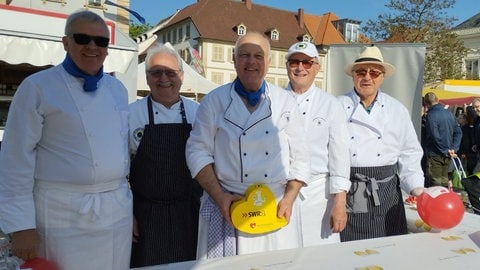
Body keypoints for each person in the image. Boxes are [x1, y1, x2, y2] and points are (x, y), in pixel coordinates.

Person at [0, 10, 132, 270]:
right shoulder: (37, 87)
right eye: (83, 38)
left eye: (101, 41)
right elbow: (15, 159)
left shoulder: (117, 89)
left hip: (116, 212)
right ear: (66, 42)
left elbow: (119, 152)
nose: (92, 47)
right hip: (62, 216)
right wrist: (21, 226)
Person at [185, 32, 310, 259]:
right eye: (244, 55)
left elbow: (301, 157)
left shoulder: (285, 101)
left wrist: (290, 197)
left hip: (275, 206)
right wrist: (218, 196)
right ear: (234, 60)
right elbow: (197, 151)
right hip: (230, 206)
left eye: (258, 56)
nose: (251, 62)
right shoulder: (214, 101)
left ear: (269, 63)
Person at [338, 45, 424, 242]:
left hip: (387, 193)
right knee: (351, 251)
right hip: (350, 192)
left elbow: (409, 153)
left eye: (374, 72)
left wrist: (417, 188)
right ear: (353, 75)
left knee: (390, 247)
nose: (367, 77)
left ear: (382, 77)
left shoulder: (397, 109)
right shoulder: (336, 106)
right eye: (361, 71)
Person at [128, 44, 202, 267]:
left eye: (170, 72)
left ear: (181, 75)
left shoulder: (199, 113)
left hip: (190, 213)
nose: (164, 78)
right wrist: (126, 214)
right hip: (145, 215)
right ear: (147, 77)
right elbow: (120, 171)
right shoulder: (130, 114)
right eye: (156, 73)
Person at [284, 42, 350, 246]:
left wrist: (339, 202)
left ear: (317, 67)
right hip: (281, 192)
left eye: (307, 62)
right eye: (295, 61)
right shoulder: (273, 100)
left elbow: (340, 156)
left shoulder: (331, 104)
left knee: (322, 256)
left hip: (319, 195)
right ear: (287, 65)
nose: (300, 67)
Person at [423, 92, 462, 187]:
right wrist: (453, 148)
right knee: (444, 182)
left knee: (435, 183)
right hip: (447, 154)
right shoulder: (449, 114)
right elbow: (458, 132)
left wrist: (445, 150)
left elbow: (434, 136)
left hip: (435, 153)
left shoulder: (431, 115)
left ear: (426, 104)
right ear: (438, 99)